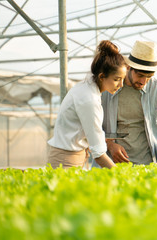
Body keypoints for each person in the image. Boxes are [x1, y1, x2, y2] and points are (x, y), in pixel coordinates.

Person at [94, 40, 157, 166]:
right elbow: (93, 126)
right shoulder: (107, 88)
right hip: (110, 164)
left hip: (147, 165)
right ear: (128, 67)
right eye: (140, 75)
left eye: (149, 76)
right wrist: (110, 145)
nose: (144, 81)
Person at [47, 40, 128, 169]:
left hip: (73, 155)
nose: (121, 85)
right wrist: (121, 176)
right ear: (102, 76)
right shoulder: (89, 99)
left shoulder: (86, 88)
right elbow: (99, 154)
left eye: (123, 79)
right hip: (66, 159)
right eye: (117, 79)